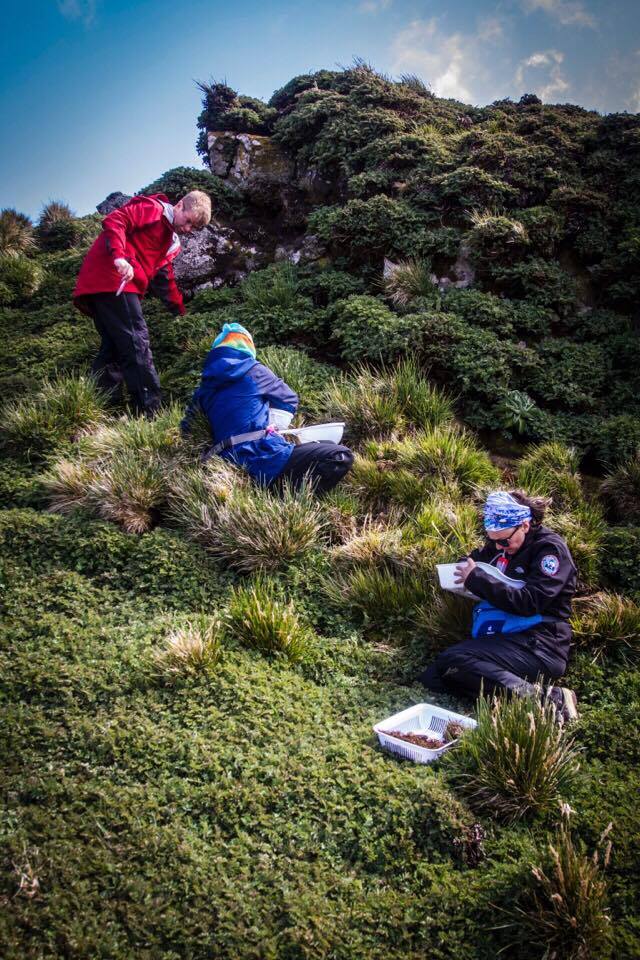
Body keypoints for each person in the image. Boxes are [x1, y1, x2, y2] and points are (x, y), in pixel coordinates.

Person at [419, 490, 579, 722]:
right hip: (504, 636)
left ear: (524, 525)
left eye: (504, 541)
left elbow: (530, 602)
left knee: (455, 661)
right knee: (434, 676)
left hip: (541, 643)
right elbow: (475, 559)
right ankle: (511, 695)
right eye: (493, 541)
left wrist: (478, 580)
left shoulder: (549, 550)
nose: (500, 547)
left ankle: (550, 700)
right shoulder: (498, 545)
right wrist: (464, 566)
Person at [73, 190, 212, 417]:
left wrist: (181, 311)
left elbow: (163, 277)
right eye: (188, 221)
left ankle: (100, 406)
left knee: (115, 347)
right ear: (179, 206)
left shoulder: (170, 241)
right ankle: (150, 413)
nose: (187, 229)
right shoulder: (153, 209)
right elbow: (116, 220)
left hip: (103, 286)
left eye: (193, 228)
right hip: (114, 280)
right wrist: (119, 256)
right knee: (137, 341)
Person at [181, 322, 354, 494]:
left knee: (322, 446)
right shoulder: (254, 370)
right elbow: (289, 399)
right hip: (263, 457)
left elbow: (187, 428)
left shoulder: (204, 388)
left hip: (225, 461)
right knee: (340, 455)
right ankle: (293, 500)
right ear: (248, 348)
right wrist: (274, 427)